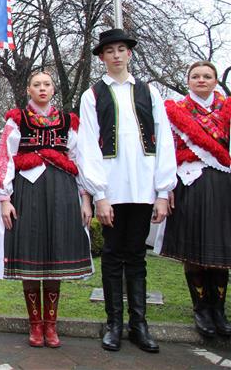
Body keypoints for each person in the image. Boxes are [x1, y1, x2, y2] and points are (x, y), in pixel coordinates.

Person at [0, 71, 105, 348]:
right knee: (31, 258)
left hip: (62, 192)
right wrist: (5, 199)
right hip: (28, 192)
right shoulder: (17, 119)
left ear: (53, 89)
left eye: (47, 84)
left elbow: (78, 159)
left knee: (55, 258)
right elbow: (6, 159)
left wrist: (85, 199)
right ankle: (35, 325)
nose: (42, 88)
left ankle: (51, 325)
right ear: (29, 90)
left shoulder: (69, 122)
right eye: (37, 84)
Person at [78, 29, 177, 353]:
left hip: (144, 187)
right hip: (113, 189)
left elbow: (164, 141)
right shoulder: (92, 95)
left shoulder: (149, 92)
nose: (117, 55)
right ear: (102, 57)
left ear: (129, 54)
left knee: (136, 257)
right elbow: (88, 148)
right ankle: (114, 324)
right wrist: (100, 194)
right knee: (112, 255)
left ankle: (139, 325)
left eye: (122, 49)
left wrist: (163, 191)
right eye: (110, 51)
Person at [159, 61, 231, 337]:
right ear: (188, 81)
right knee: (194, 249)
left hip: (222, 182)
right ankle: (200, 307)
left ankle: (218, 309)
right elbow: (166, 150)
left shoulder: (226, 110)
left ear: (215, 80)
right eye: (196, 76)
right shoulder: (175, 111)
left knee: (219, 248)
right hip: (188, 181)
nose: (201, 80)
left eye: (207, 76)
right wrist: (166, 188)